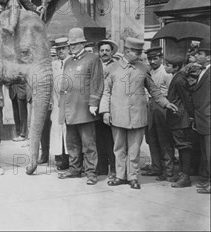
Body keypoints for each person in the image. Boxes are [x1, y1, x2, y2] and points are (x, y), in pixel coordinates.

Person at [100, 37, 179, 190]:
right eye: (137, 52)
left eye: (140, 52)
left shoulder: (143, 68)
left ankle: (133, 177)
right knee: (119, 148)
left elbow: (154, 90)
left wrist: (166, 103)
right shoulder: (112, 68)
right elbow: (106, 92)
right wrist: (105, 111)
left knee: (134, 149)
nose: (140, 55)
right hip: (117, 115)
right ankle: (120, 176)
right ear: (127, 51)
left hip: (138, 116)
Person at [58, 28, 103, 185]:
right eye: (71, 44)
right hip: (69, 109)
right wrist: (61, 107)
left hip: (84, 109)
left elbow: (97, 83)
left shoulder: (92, 59)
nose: (73, 47)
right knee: (72, 143)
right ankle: (75, 169)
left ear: (83, 43)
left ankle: (91, 173)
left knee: (89, 144)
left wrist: (93, 103)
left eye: (76, 43)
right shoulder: (68, 62)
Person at [141, 46, 175, 181]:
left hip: (162, 105)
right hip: (149, 105)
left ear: (160, 58)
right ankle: (156, 167)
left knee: (164, 138)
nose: (152, 61)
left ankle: (169, 171)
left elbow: (171, 92)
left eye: (155, 58)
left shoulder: (166, 73)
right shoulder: (148, 71)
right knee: (151, 137)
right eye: (150, 59)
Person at [164, 54, 195, 188]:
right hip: (177, 118)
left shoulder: (179, 80)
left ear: (176, 67)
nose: (165, 67)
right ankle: (183, 174)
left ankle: (185, 177)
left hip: (180, 118)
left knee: (184, 147)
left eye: (168, 65)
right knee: (181, 146)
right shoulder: (177, 77)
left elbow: (187, 99)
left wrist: (191, 116)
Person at [43, 37, 70, 166]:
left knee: (69, 131)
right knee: (56, 130)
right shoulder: (53, 65)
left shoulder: (72, 63)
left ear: (68, 49)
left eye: (63, 48)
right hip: (56, 103)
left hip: (70, 104)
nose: (61, 51)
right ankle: (60, 159)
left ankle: (70, 159)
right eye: (58, 49)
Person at [94, 39, 119, 179]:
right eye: (102, 50)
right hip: (97, 107)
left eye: (107, 50)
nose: (104, 53)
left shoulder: (116, 66)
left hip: (111, 107)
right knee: (99, 139)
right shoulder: (96, 65)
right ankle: (102, 167)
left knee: (111, 140)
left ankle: (114, 169)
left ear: (112, 52)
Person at [191, 41, 210, 194]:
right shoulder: (202, 71)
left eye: (200, 54)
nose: (196, 55)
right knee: (206, 153)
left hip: (208, 119)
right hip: (202, 119)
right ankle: (208, 181)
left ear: (209, 57)